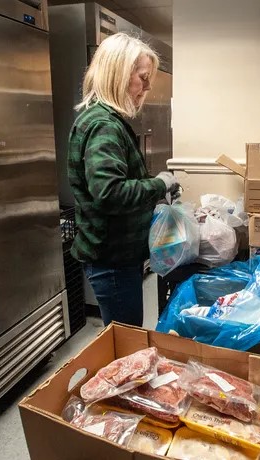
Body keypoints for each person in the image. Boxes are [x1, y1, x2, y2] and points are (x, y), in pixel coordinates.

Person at [68, 33, 178, 327]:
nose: (148, 86)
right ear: (118, 75)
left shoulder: (103, 119)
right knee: (125, 345)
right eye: (143, 77)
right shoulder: (103, 126)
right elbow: (110, 192)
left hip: (116, 256)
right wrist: (160, 184)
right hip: (112, 260)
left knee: (124, 338)